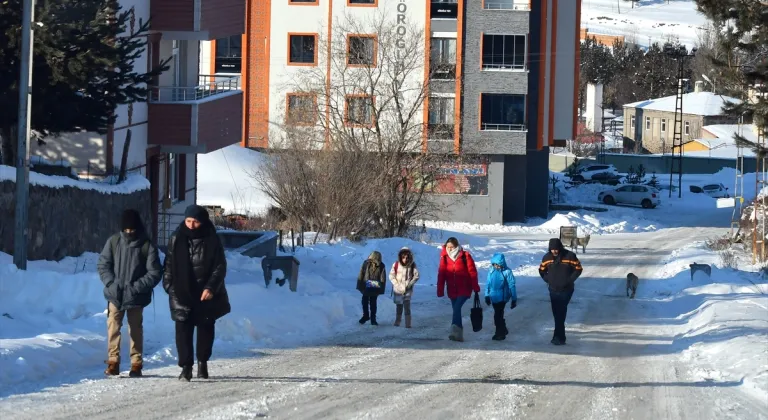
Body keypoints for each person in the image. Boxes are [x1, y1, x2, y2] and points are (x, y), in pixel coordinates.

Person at [163, 205, 231, 381]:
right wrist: (169, 286)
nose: (191, 225)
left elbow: (220, 266)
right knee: (182, 330)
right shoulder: (176, 238)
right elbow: (169, 265)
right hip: (181, 290)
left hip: (205, 293)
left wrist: (211, 288)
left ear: (203, 222)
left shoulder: (212, 239)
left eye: (195, 222)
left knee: (205, 329)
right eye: (188, 221)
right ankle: (186, 367)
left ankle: (203, 363)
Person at [97, 209, 162, 377]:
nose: (129, 233)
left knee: (135, 329)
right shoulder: (113, 242)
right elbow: (103, 265)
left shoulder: (147, 246)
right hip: (115, 294)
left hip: (136, 296)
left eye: (132, 230)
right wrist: (111, 283)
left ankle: (136, 364)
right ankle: (113, 362)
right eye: (126, 230)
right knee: (113, 327)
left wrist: (137, 287)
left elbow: (154, 272)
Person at [539, 238, 583, 345]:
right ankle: (559, 337)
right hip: (553, 289)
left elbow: (578, 268)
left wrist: (569, 280)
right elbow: (541, 270)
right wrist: (547, 279)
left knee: (561, 312)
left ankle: (558, 337)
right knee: (556, 313)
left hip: (566, 289)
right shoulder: (547, 258)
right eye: (552, 249)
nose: (554, 251)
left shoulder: (570, 256)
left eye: (556, 249)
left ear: (560, 247)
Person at [437, 237, 479, 342]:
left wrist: (475, 287)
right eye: (448, 247)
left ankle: (454, 332)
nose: (450, 249)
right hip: (452, 289)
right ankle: (458, 335)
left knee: (456, 308)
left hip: (465, 288)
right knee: (457, 310)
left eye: (452, 247)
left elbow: (472, 272)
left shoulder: (465, 256)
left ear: (456, 246)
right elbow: (441, 274)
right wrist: (440, 289)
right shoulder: (444, 257)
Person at [484, 253, 517, 341]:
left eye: (499, 265)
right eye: (495, 265)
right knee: (498, 315)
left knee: (497, 315)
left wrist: (514, 298)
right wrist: (486, 295)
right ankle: (503, 329)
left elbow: (512, 285)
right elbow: (488, 283)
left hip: (503, 297)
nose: (497, 267)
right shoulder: (491, 271)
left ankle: (499, 333)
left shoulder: (507, 272)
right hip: (493, 296)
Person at [389, 247, 420, 328]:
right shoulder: (396, 264)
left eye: (407, 257)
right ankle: (397, 321)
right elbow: (391, 276)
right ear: (400, 257)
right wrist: (396, 284)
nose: (405, 259)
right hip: (398, 289)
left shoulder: (412, 265)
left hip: (407, 290)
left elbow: (416, 276)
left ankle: (408, 323)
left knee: (407, 307)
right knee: (399, 306)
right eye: (403, 257)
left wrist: (409, 284)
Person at [356, 251, 386, 325]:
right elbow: (383, 279)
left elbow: (361, 274)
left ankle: (366, 316)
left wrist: (360, 285)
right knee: (372, 302)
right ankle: (372, 318)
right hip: (375, 285)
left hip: (368, 284)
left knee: (365, 301)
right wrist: (381, 289)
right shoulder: (380, 265)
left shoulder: (367, 263)